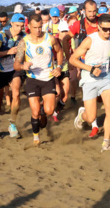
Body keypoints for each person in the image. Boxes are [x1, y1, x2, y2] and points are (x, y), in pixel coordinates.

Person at [71, 14, 110, 152]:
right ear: (98, 27)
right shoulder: (90, 40)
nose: (108, 32)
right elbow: (73, 59)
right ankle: (82, 115)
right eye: (105, 29)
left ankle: (106, 143)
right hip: (89, 79)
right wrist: (90, 68)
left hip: (106, 78)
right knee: (91, 117)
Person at [14, 14, 64, 146]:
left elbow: (59, 52)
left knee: (48, 110)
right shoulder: (23, 43)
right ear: (29, 26)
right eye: (35, 27)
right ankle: (36, 137)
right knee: (34, 111)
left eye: (40, 27)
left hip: (48, 78)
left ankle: (43, 113)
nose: (38, 30)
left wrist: (59, 67)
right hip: (32, 79)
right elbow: (16, 64)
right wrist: (22, 66)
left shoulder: (50, 39)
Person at [0, 13, 26, 137]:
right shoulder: (2, 35)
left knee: (16, 95)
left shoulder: (24, 37)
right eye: (17, 25)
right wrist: (8, 52)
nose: (19, 28)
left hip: (14, 70)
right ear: (11, 23)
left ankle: (13, 124)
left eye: (22, 26)